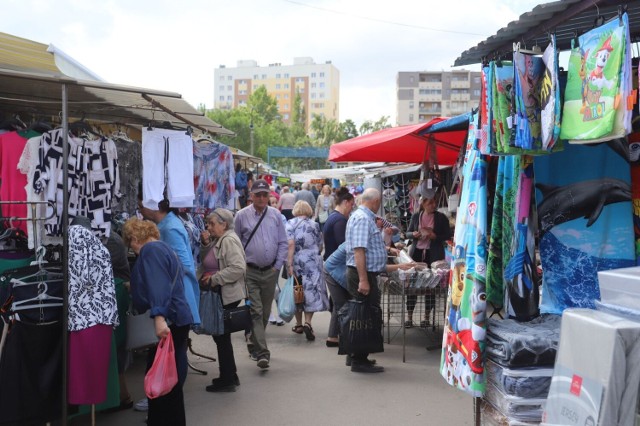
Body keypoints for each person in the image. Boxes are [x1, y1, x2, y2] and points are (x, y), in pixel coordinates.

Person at [122, 218, 193, 426]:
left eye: (131, 244)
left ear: (135, 238)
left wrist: (159, 318)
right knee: (168, 374)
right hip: (177, 317)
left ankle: (163, 420)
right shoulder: (165, 249)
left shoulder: (150, 251)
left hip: (168, 319)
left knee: (161, 375)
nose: (132, 248)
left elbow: (158, 286)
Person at [234, 179, 288, 369]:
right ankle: (262, 353)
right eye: (258, 194)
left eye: (265, 194)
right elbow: (236, 244)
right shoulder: (241, 216)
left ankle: (253, 339)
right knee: (256, 312)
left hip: (271, 271)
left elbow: (283, 242)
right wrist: (241, 267)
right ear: (251, 196)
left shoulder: (275, 215)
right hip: (251, 271)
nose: (262, 198)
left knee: (265, 313)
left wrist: (277, 266)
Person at [325, 242, 416, 348]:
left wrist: (390, 249)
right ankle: (346, 340)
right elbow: (376, 267)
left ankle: (337, 338)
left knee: (343, 306)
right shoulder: (360, 245)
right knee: (342, 306)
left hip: (338, 270)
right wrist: (399, 266)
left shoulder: (362, 241)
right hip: (333, 271)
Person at [197, 209, 246, 392]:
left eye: (212, 223)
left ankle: (228, 379)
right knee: (221, 337)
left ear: (224, 224)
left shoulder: (229, 240)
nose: (209, 227)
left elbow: (238, 268)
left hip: (226, 294)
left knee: (221, 337)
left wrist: (214, 279)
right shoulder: (221, 239)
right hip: (221, 293)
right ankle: (229, 375)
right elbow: (210, 260)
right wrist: (206, 243)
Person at [345, 187, 386, 373]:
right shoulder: (362, 218)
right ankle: (358, 359)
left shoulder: (364, 217)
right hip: (362, 273)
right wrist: (363, 280)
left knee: (362, 315)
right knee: (363, 316)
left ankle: (356, 355)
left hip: (364, 273)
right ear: (375, 201)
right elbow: (359, 251)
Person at [405, 189, 451, 328]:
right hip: (417, 254)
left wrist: (435, 236)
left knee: (432, 286)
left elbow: (448, 235)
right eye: (430, 203)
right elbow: (406, 233)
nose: (433, 205)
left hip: (434, 254)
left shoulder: (441, 218)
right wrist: (413, 234)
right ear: (423, 204)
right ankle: (409, 317)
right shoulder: (416, 217)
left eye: (434, 202)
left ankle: (426, 317)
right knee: (413, 285)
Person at [286, 200, 329, 341]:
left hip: (297, 261)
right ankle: (308, 323)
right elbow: (320, 245)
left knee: (297, 290)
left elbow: (290, 244)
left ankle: (298, 324)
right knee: (311, 290)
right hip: (312, 262)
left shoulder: (290, 224)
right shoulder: (315, 224)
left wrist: (289, 263)